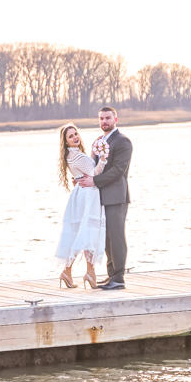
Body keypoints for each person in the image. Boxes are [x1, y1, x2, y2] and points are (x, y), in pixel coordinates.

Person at [75, 106, 132, 290]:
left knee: (116, 237)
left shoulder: (123, 141)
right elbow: (94, 166)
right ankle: (111, 275)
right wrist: (82, 177)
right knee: (106, 238)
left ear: (116, 119)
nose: (104, 122)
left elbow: (118, 171)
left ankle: (119, 278)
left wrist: (94, 181)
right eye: (101, 118)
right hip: (100, 196)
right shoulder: (99, 141)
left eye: (107, 118)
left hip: (116, 196)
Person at [54, 123, 107, 288]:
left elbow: (87, 165)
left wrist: (93, 150)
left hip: (80, 194)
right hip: (88, 195)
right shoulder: (77, 157)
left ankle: (67, 272)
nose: (75, 137)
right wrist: (104, 159)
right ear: (66, 142)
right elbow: (95, 172)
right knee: (88, 232)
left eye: (75, 134)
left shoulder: (73, 155)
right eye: (70, 136)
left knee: (80, 233)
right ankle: (90, 273)